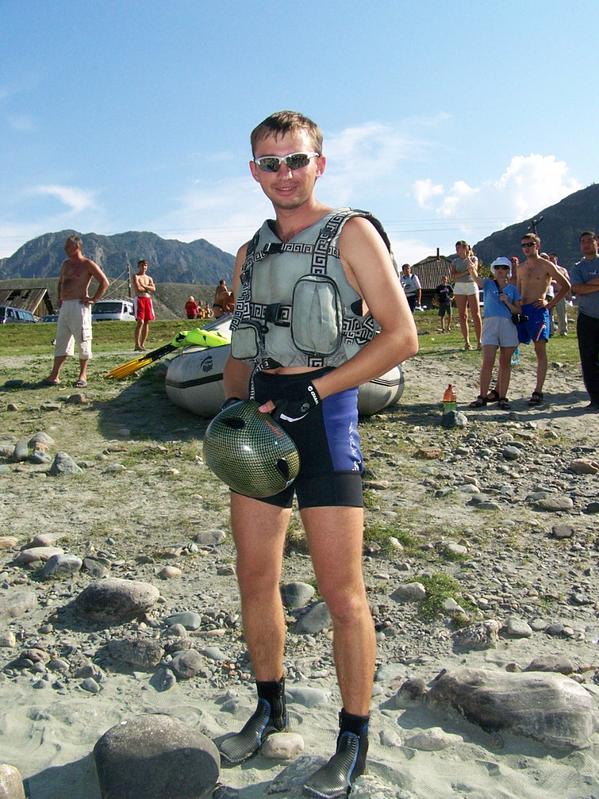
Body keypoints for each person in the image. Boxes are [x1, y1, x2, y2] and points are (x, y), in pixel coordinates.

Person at [220, 110, 418, 797]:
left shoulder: (352, 233)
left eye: (297, 160)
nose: (285, 174)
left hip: (325, 415)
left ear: (319, 164)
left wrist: (318, 390)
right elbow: (242, 347)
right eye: (270, 163)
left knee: (341, 593)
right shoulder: (248, 253)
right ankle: (269, 708)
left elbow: (400, 336)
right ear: (254, 171)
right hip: (262, 422)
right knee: (255, 577)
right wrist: (231, 410)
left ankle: (352, 740)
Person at [44, 235, 109, 387]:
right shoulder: (65, 264)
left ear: (77, 247)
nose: (65, 249)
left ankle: (83, 375)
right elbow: (60, 282)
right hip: (65, 305)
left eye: (68, 246)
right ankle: (54, 375)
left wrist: (94, 299)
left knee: (83, 340)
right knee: (61, 340)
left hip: (79, 305)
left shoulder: (87, 264)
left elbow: (104, 282)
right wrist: (59, 297)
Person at [517, 234, 570, 405]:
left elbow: (566, 286)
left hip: (538, 310)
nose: (527, 248)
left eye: (530, 244)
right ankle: (500, 391)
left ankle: (538, 391)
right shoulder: (521, 268)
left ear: (537, 246)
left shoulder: (546, 265)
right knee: (509, 349)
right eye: (524, 245)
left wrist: (549, 304)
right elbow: (518, 290)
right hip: (522, 310)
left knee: (539, 350)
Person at [467, 257, 522, 410]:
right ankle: (482, 396)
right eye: (497, 267)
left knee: (505, 363)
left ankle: (502, 397)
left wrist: (507, 301)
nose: (500, 270)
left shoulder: (513, 289)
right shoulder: (488, 283)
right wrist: (472, 267)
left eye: (504, 267)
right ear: (493, 269)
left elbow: (518, 310)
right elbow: (476, 278)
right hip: (490, 324)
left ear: (508, 270)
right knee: (488, 361)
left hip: (508, 324)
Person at [569, 231, 599, 411]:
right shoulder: (578, 267)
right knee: (588, 359)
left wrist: (587, 285)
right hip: (587, 317)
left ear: (597, 242)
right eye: (583, 242)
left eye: (590, 241)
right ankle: (595, 399)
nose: (586, 244)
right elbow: (577, 288)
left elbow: (582, 287)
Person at [450, 240, 482, 350]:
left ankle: (479, 341)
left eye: (459, 248)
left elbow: (473, 269)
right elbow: (453, 276)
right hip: (459, 287)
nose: (457, 251)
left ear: (465, 248)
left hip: (471, 285)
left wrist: (468, 257)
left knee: (476, 314)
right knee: (462, 315)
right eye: (456, 249)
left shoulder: (473, 259)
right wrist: (465, 272)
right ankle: (467, 342)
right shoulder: (455, 261)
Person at [133, 259, 156, 351]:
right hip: (140, 299)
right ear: (139, 266)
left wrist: (145, 286)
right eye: (142, 265)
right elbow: (138, 288)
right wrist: (147, 288)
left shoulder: (149, 278)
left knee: (147, 322)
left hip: (148, 299)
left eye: (145, 265)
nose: (144, 267)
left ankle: (142, 344)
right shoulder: (136, 276)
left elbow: (153, 288)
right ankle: (137, 344)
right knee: (140, 321)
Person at [548, 252, 570, 335]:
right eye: (549, 258)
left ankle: (563, 331)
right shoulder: (547, 269)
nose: (550, 260)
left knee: (562, 313)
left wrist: (569, 294)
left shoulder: (562, 270)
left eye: (552, 258)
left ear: (556, 259)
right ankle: (550, 331)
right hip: (550, 294)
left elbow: (568, 281)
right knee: (549, 314)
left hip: (560, 294)